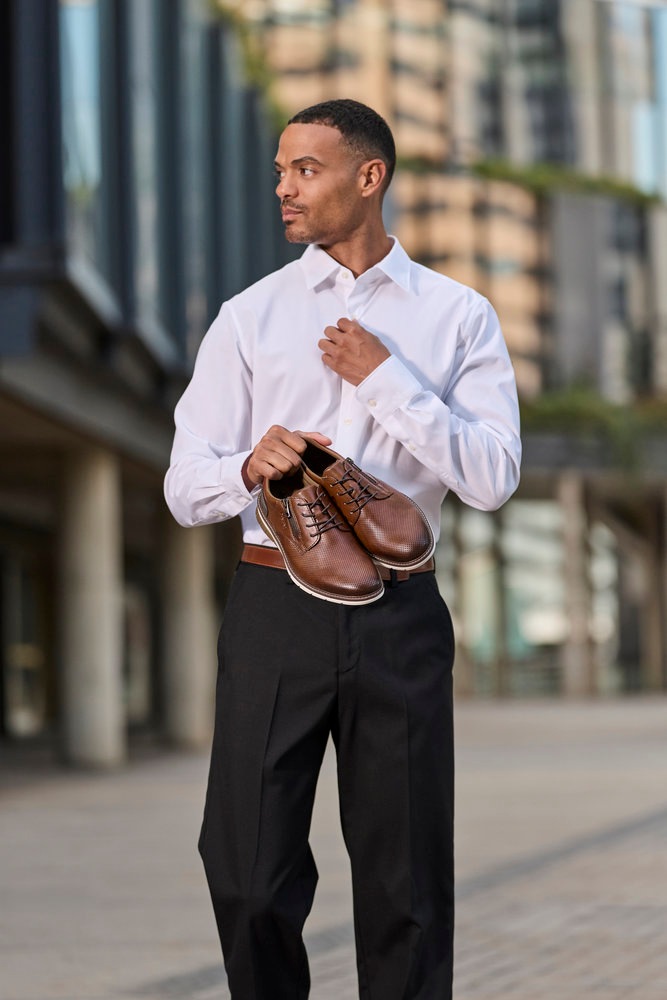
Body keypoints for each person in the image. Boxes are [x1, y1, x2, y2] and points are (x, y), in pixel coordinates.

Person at [164, 99, 521, 999]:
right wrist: (249, 465)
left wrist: (386, 379)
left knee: (406, 883)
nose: (283, 188)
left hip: (401, 613)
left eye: (305, 170)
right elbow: (182, 484)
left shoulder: (458, 316)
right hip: (272, 605)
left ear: (370, 177)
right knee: (246, 868)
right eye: (280, 170)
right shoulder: (248, 317)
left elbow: (492, 476)